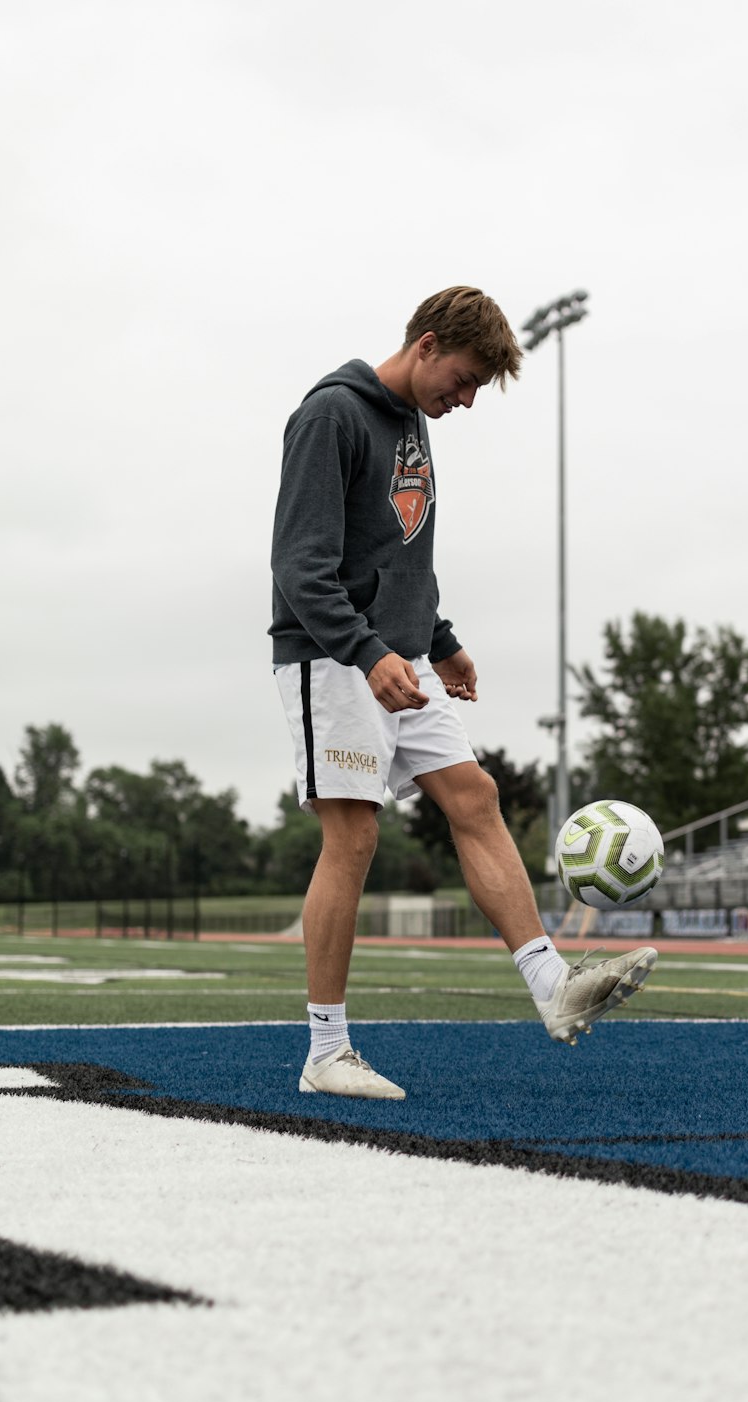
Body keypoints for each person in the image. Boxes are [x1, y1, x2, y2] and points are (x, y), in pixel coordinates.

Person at [270, 286, 656, 1100]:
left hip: (398, 653)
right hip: (334, 657)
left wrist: (439, 640)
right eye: (466, 378)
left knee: (474, 797)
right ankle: (326, 1051)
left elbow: (401, 547)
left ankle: (552, 986)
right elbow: (299, 565)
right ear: (428, 344)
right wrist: (366, 650)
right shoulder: (332, 415)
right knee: (353, 840)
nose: (468, 398)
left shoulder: (412, 423)